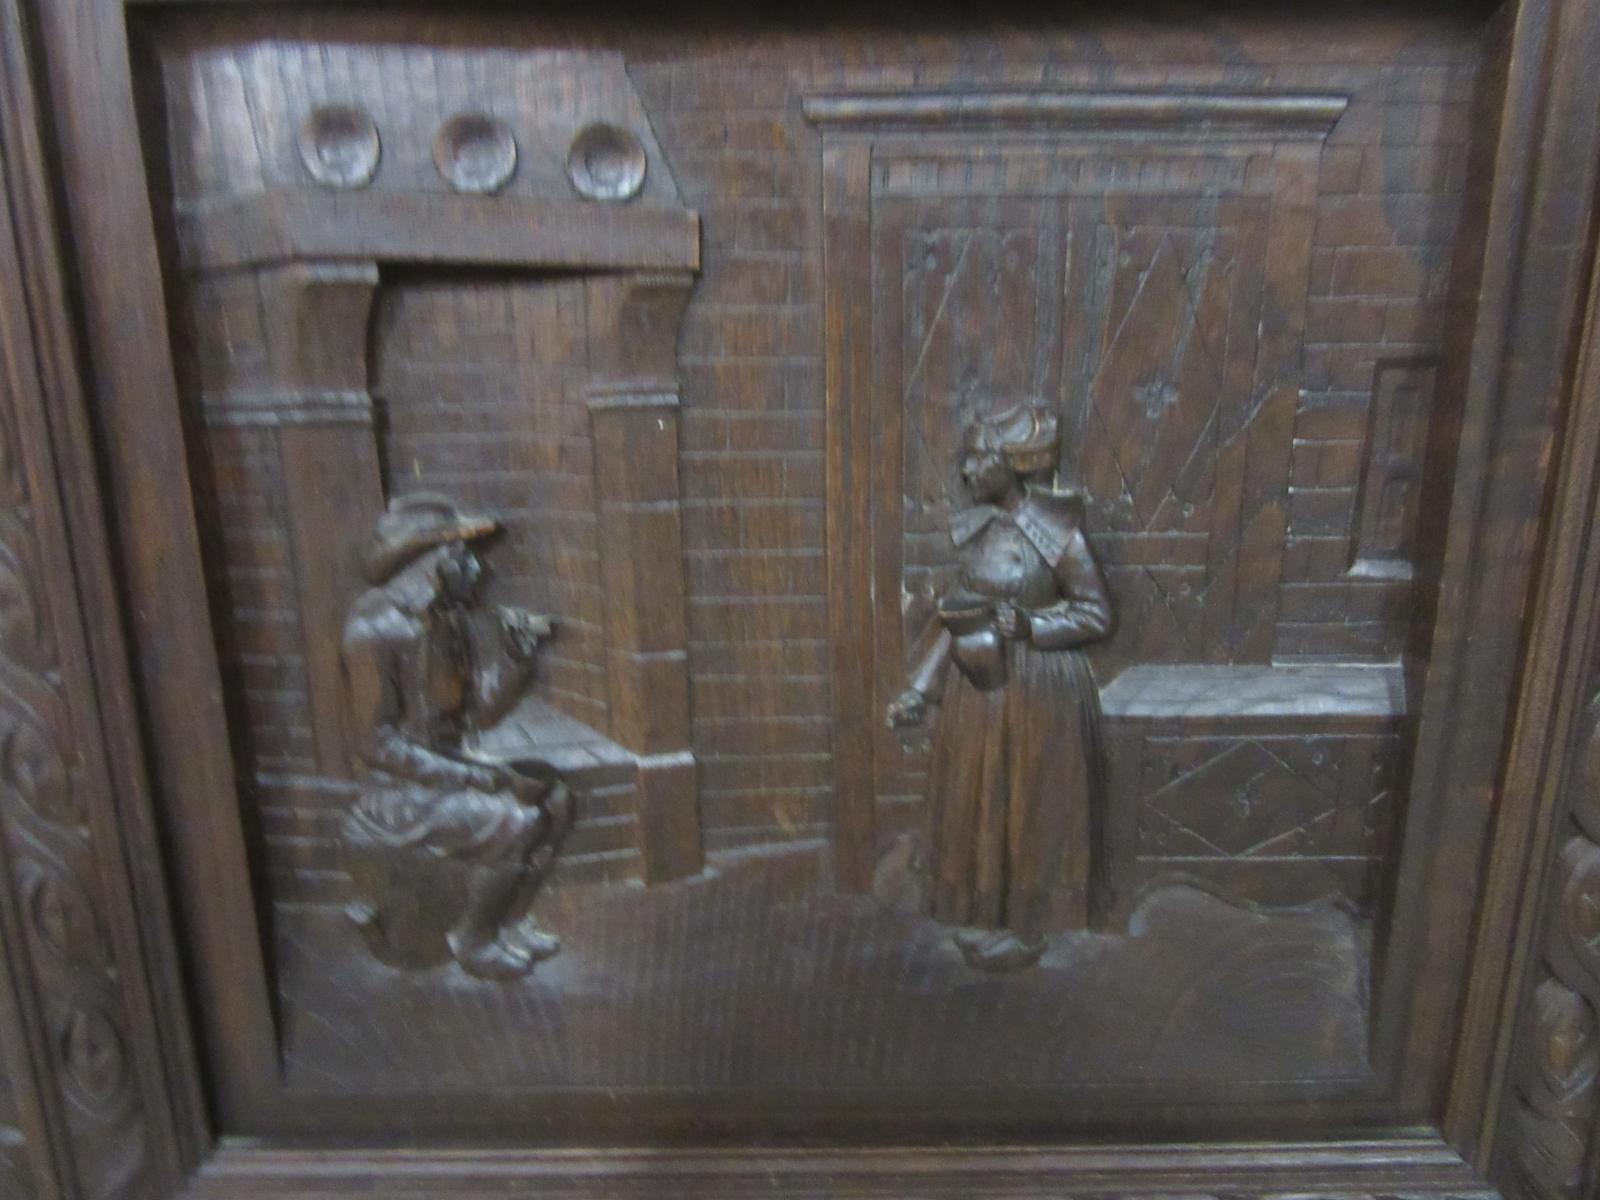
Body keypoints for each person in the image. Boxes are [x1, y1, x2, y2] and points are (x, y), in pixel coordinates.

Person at [887, 405, 1114, 971]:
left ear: (1014, 465)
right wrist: (922, 689)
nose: (966, 470)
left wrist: (1034, 625)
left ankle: (1030, 922)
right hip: (980, 687)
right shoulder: (982, 531)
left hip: (1039, 692)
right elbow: (956, 614)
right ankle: (984, 910)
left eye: (979, 458)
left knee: (1028, 803)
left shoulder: (1058, 534)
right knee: (981, 800)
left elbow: (1096, 614)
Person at [341, 493, 572, 981]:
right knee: (516, 820)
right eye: (465, 557)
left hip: (446, 769)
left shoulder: (446, 622)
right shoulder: (373, 628)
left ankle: (510, 921)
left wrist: (517, 656)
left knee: (557, 802)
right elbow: (373, 743)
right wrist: (467, 777)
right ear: (433, 563)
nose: (478, 569)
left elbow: (481, 715)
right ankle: (473, 938)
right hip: (397, 791)